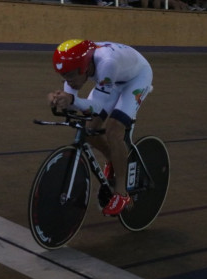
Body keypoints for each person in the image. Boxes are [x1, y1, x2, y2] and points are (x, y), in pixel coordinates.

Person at [47, 39, 153, 216]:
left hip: (136, 77)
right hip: (113, 80)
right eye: (64, 76)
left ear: (85, 67)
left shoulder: (106, 63)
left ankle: (121, 192)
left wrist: (72, 100)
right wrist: (61, 100)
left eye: (71, 76)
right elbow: (74, 101)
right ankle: (113, 159)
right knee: (89, 130)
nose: (68, 81)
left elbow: (96, 105)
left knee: (114, 130)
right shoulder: (77, 67)